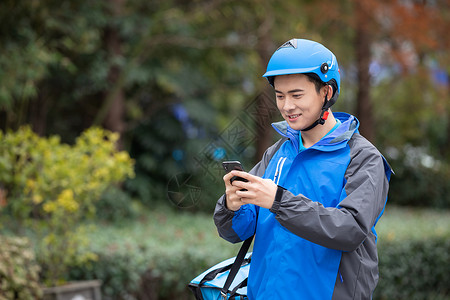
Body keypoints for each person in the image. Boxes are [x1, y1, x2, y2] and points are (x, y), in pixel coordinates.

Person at [213, 38, 393, 299]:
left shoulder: (364, 158)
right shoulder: (277, 152)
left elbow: (349, 229)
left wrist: (278, 200)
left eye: (297, 95)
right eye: (280, 96)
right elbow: (234, 232)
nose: (287, 106)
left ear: (327, 92)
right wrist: (232, 206)